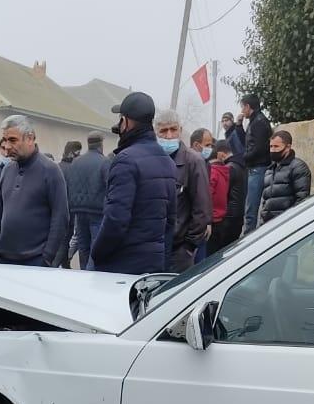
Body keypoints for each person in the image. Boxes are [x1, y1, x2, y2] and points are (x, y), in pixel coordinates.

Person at [91, 92, 176, 274]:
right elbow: (170, 221)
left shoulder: (125, 160)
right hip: (154, 264)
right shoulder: (168, 161)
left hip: (122, 264)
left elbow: (116, 219)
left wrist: (97, 253)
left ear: (125, 122)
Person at [0, 115, 69, 266]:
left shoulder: (50, 171)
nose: (7, 146)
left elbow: (60, 218)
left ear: (30, 138)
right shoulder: (6, 170)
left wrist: (47, 258)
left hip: (35, 262)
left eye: (13, 140)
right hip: (3, 260)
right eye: (5, 140)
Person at [156, 108, 211, 270]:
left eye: (173, 129)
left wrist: (189, 246)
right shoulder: (152, 159)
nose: (169, 135)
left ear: (180, 130)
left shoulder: (193, 161)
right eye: (163, 131)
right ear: (156, 132)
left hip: (179, 250)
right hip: (154, 248)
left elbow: (202, 208)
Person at [66, 132, 110, 270]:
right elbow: (109, 186)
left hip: (78, 211)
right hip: (97, 211)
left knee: (83, 246)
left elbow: (71, 184)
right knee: (95, 247)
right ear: (101, 144)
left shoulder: (76, 162)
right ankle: (90, 274)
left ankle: (83, 272)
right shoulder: (104, 162)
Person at [257, 130, 311, 225]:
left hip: (286, 224)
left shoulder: (298, 167)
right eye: (271, 146)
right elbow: (265, 201)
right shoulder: (270, 170)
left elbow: (302, 200)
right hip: (268, 225)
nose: (272, 150)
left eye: (276, 146)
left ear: (288, 147)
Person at [239, 93, 272, 234]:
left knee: (251, 209)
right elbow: (246, 143)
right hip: (254, 168)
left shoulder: (259, 122)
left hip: (258, 168)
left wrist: (245, 158)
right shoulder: (255, 121)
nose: (242, 111)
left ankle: (250, 237)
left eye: (242, 107)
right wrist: (238, 126)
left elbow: (259, 147)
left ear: (248, 106)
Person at [207, 139, 246, 254]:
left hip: (228, 215)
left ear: (220, 154)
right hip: (238, 212)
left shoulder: (229, 168)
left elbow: (220, 192)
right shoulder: (241, 165)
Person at [57, 142, 82, 266]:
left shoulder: (57, 167)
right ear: (72, 153)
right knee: (64, 243)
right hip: (69, 213)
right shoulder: (73, 170)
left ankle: (64, 265)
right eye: (78, 153)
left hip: (56, 212)